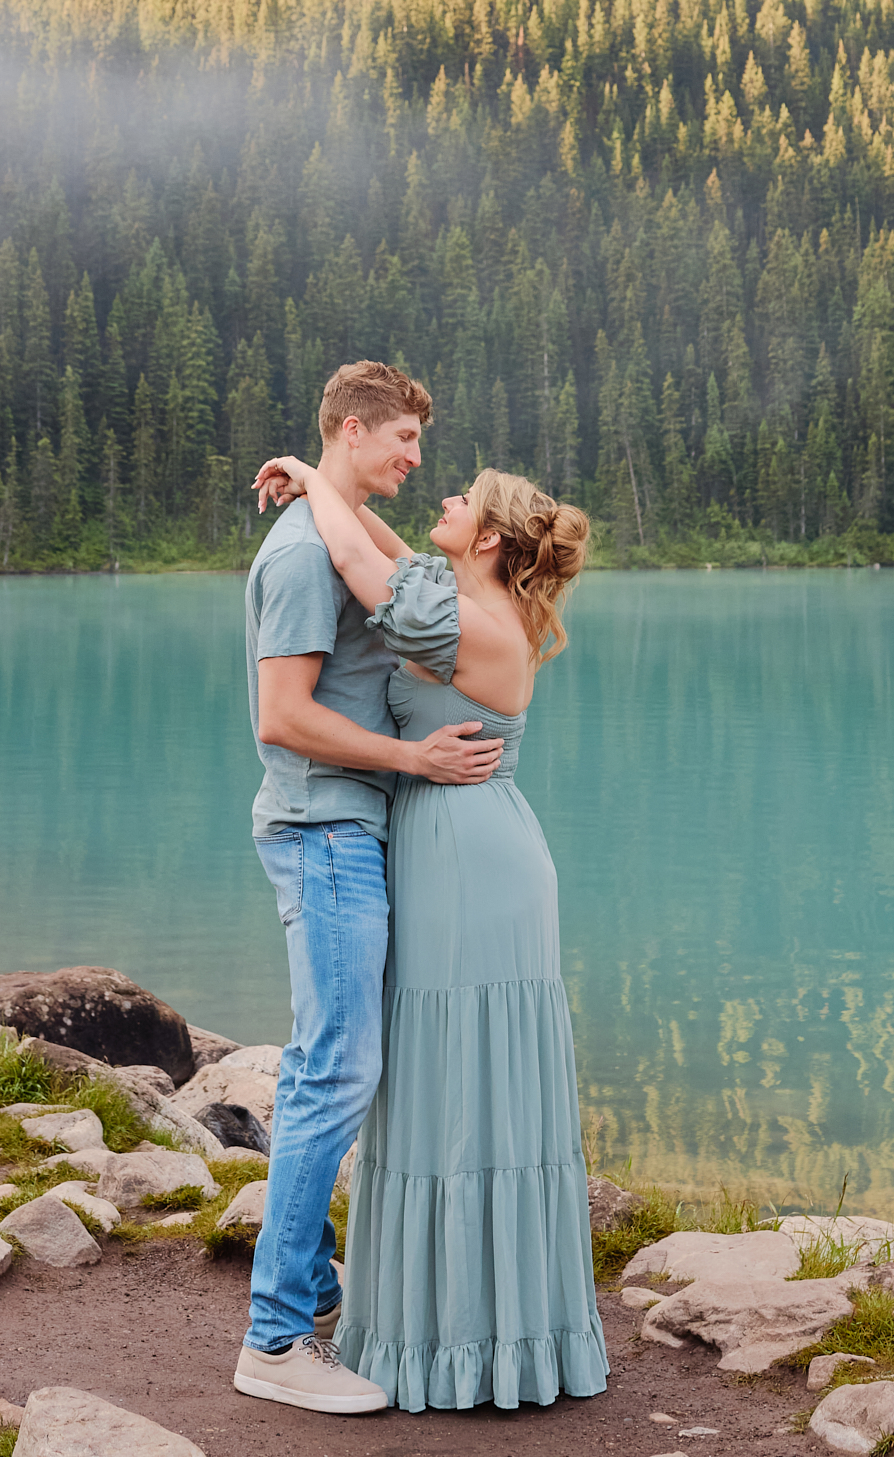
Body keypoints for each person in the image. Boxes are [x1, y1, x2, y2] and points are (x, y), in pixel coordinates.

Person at [250, 448, 609, 1416]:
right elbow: (391, 551)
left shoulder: (469, 624)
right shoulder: (460, 600)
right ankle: (433, 1324)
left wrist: (311, 471)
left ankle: (469, 1341)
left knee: (463, 1071)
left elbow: (366, 562)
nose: (441, 494)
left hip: (467, 858)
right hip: (446, 841)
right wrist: (322, 479)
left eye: (462, 497)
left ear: (488, 536)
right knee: (436, 1072)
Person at [234, 361, 507, 1417]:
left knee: (336, 1063)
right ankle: (273, 1340)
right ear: (353, 428)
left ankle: (309, 1286)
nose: (414, 458)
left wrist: (315, 478)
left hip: (346, 830)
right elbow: (281, 718)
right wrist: (413, 763)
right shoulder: (305, 551)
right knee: (333, 1073)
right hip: (324, 828)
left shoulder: (327, 524)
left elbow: (391, 574)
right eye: (400, 440)